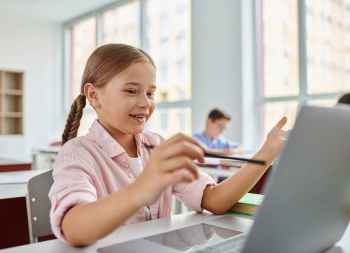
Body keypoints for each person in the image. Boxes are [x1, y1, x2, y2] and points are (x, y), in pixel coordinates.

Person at [49, 43, 288, 246]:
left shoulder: (157, 145)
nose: (145, 103)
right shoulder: (76, 154)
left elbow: (215, 200)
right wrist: (143, 188)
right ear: (93, 95)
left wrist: (268, 152)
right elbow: (73, 229)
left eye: (151, 93)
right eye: (131, 90)